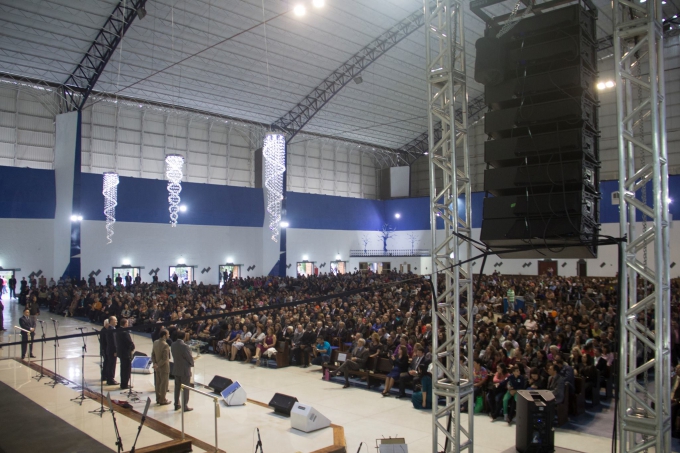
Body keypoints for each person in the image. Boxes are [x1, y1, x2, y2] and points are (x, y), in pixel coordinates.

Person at [171, 330, 194, 411]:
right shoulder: (185, 346)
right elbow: (189, 357)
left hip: (176, 368)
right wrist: (191, 364)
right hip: (184, 370)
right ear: (184, 336)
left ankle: (176, 404)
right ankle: (184, 406)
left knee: (177, 388)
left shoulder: (173, 344)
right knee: (185, 388)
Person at [151, 329, 172, 405]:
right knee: (164, 384)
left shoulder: (155, 342)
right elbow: (165, 358)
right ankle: (163, 400)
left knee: (158, 383)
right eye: (168, 334)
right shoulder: (165, 345)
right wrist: (158, 365)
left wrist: (155, 364)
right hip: (163, 367)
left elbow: (153, 354)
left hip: (157, 367)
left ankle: (158, 398)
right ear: (164, 335)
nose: (169, 335)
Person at [115, 318, 135, 389]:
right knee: (126, 369)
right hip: (126, 353)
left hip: (121, 352)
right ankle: (124, 384)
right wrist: (133, 347)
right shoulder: (124, 332)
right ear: (125, 324)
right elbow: (129, 342)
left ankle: (123, 383)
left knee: (123, 368)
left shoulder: (118, 331)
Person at [105, 316, 119, 386]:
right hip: (112, 351)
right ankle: (111, 379)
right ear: (111, 321)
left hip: (110, 350)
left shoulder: (111, 328)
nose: (116, 321)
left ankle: (109, 378)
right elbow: (113, 342)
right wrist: (115, 351)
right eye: (115, 320)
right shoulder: (111, 329)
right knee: (112, 365)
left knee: (110, 365)